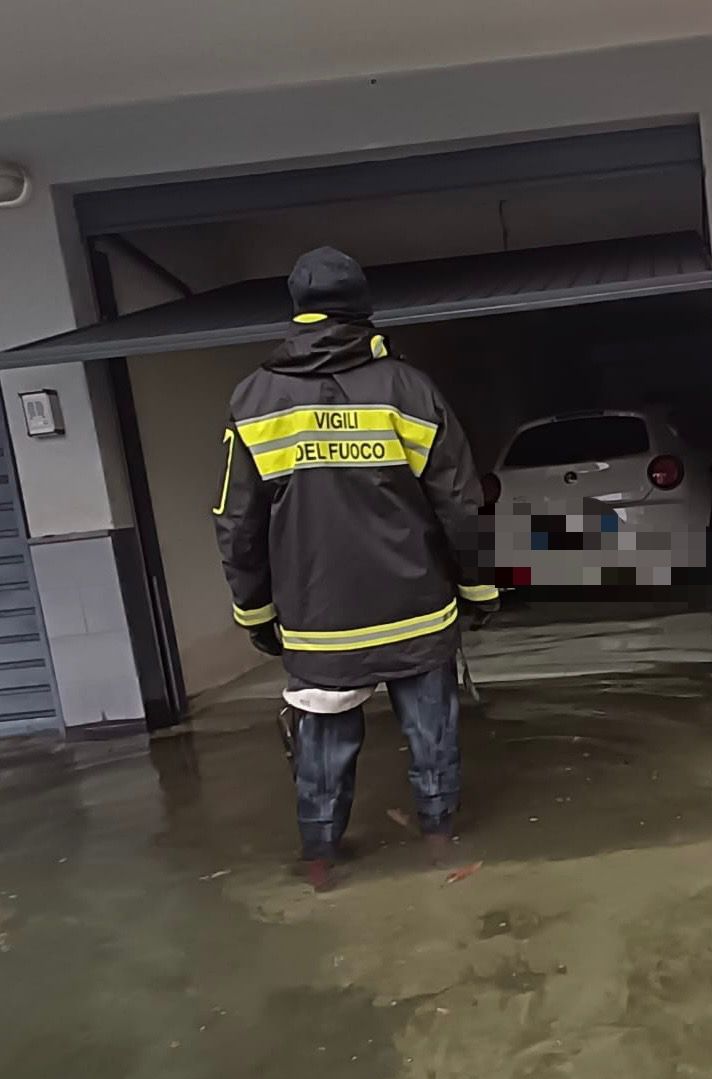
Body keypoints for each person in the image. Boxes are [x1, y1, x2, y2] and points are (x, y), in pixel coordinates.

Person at [214, 246, 499, 892]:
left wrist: (255, 613)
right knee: (431, 734)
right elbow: (459, 501)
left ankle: (320, 864)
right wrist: (478, 588)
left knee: (321, 746)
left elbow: (237, 519)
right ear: (364, 312)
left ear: (299, 314)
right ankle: (437, 840)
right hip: (417, 608)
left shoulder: (254, 397)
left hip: (320, 623)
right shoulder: (409, 389)